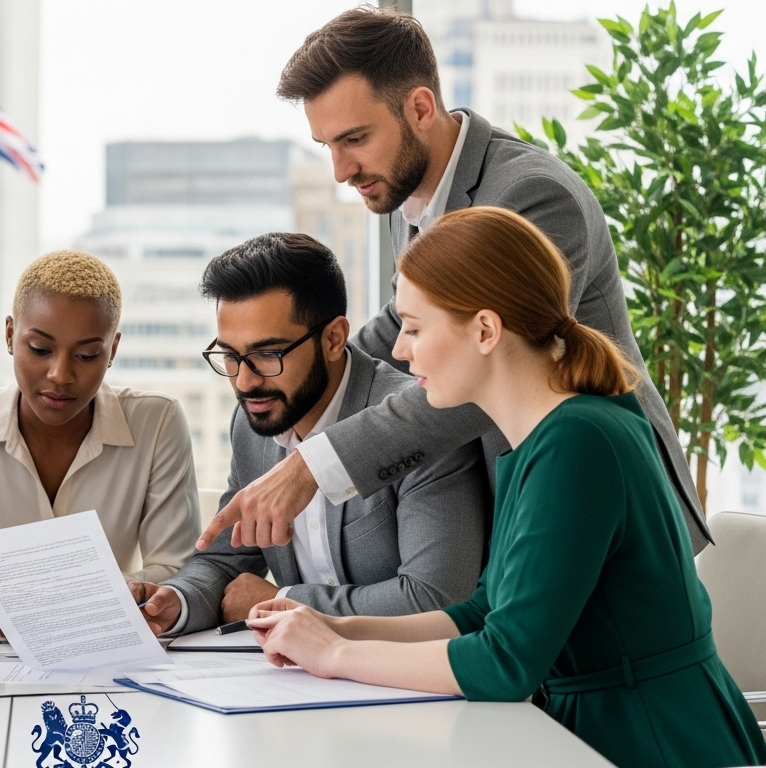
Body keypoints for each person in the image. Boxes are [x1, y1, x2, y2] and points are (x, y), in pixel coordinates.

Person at [246, 208, 766, 768]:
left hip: (649, 740)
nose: (400, 351)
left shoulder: (579, 440)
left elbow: (505, 663)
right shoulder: (545, 436)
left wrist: (337, 654)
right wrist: (339, 627)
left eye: (415, 328)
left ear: (486, 331)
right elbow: (486, 612)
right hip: (590, 730)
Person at [197, 6, 709, 558]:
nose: (341, 171)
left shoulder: (532, 198)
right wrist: (305, 366)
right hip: (513, 503)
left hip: (602, 501)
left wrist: (315, 465)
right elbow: (404, 323)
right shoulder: (401, 188)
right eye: (327, 146)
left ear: (420, 107)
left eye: (355, 139)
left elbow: (487, 364)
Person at [128, 233, 487, 636]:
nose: (245, 382)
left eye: (268, 355)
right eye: (230, 356)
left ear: (333, 339)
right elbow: (226, 560)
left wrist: (286, 600)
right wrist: (174, 601)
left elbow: (435, 600)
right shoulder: (254, 422)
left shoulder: (419, 424)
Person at [0, 249, 201, 631]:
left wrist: (91, 598)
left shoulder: (157, 422)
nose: (60, 374)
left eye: (88, 355)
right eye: (40, 350)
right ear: (10, 335)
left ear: (113, 351)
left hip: (103, 648)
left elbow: (177, 569)